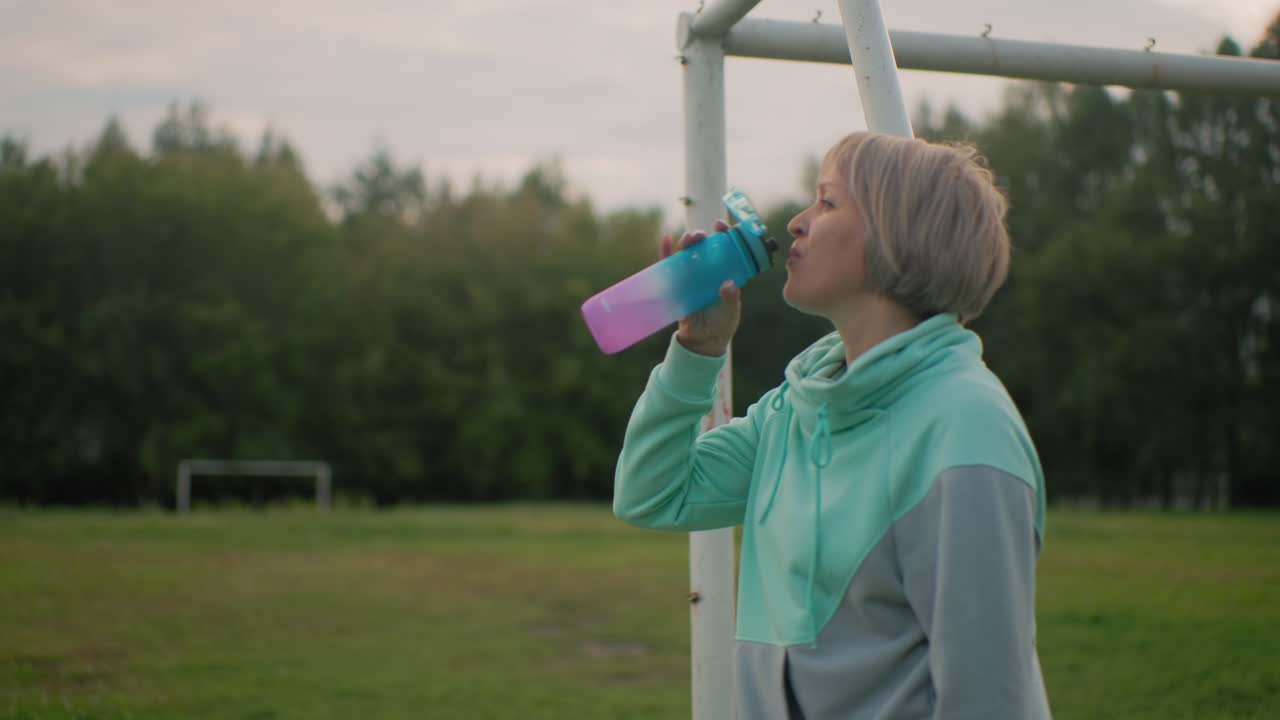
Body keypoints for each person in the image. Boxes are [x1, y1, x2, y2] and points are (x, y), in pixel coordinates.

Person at [612, 131, 1052, 719]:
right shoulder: (798, 410)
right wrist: (697, 352)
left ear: (898, 235)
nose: (796, 222)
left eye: (826, 201)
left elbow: (988, 699)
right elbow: (652, 493)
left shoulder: (967, 432)